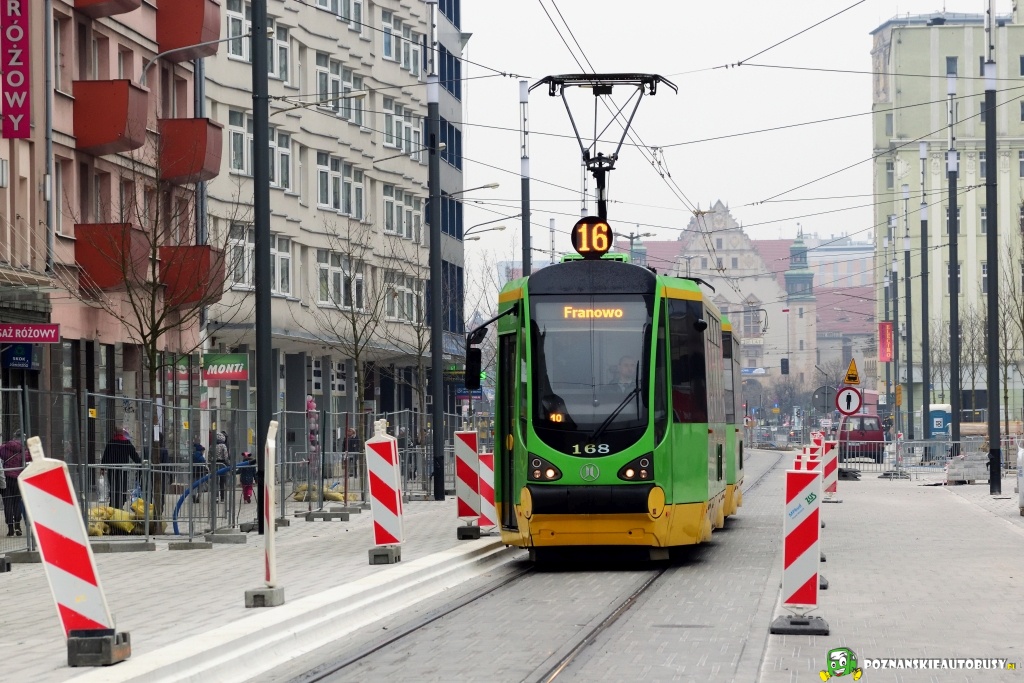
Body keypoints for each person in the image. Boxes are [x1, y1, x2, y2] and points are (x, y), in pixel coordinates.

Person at [100, 428, 141, 510]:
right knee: (122, 487)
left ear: (115, 433)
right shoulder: (127, 443)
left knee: (113, 487)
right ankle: (120, 504)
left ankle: (113, 505)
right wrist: (140, 463)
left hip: (112, 470)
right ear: (122, 433)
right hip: (123, 469)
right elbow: (134, 455)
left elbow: (105, 456)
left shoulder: (111, 442)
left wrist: (102, 468)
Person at [1, 435, 28, 536]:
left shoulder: (4, 448)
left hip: (6, 479)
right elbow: (29, 457)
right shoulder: (22, 451)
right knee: (17, 502)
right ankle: (17, 525)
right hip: (17, 479)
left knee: (7, 503)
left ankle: (10, 529)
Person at [214, 431, 230, 503]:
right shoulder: (223, 446)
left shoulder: (212, 446)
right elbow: (226, 456)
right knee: (222, 482)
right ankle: (222, 497)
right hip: (222, 464)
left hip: (215, 465)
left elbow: (210, 456)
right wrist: (228, 463)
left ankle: (216, 497)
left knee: (216, 482)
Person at [192, 437, 208, 503]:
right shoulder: (201, 457)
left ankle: (193, 495)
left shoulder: (192, 456)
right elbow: (204, 463)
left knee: (194, 485)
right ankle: (199, 497)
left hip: (194, 472)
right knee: (200, 485)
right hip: (201, 473)